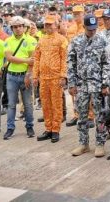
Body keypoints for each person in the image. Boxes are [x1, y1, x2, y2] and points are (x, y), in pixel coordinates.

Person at [67, 14, 110, 157]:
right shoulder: (76, 41)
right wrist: (72, 83)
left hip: (97, 85)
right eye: (90, 29)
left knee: (100, 116)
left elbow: (106, 64)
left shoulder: (102, 41)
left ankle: (100, 144)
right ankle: (83, 143)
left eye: (94, 29)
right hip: (81, 85)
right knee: (82, 116)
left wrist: (105, 84)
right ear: (84, 27)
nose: (92, 32)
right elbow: (71, 63)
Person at [33, 14, 68, 143]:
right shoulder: (41, 40)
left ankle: (55, 130)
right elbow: (36, 58)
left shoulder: (62, 40)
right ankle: (48, 128)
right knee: (46, 105)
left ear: (56, 25)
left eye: (50, 24)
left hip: (56, 77)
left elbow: (64, 59)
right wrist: (35, 76)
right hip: (43, 78)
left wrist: (63, 75)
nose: (47, 26)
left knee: (56, 105)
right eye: (46, 24)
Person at [3, 16, 37, 140]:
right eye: (15, 27)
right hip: (11, 76)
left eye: (20, 26)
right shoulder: (8, 40)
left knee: (28, 104)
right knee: (11, 104)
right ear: (12, 28)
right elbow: (9, 58)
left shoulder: (31, 40)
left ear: (24, 27)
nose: (18, 29)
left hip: (25, 75)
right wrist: (26, 60)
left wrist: (29, 74)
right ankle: (10, 128)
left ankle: (29, 126)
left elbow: (33, 60)